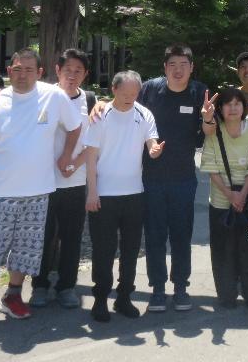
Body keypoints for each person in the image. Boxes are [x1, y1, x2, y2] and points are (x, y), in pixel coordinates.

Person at [0, 49, 82, 331]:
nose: (22, 74)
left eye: (28, 69)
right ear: (9, 71)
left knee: (26, 250)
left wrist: (66, 156)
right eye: (17, 69)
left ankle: (12, 296)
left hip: (38, 191)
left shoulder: (54, 96)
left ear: (39, 73)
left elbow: (75, 127)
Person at [0, 48, 96, 309]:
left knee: (72, 237)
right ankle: (40, 285)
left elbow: (93, 141)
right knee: (40, 237)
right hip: (41, 182)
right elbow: (13, 100)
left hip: (75, 181)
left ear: (85, 74)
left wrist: (73, 164)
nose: (72, 75)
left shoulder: (90, 101)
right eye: (67, 70)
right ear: (57, 70)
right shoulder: (42, 95)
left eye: (78, 71)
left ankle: (67, 286)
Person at [137, 44, 217, 312]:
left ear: (192, 67)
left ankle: (181, 287)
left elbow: (207, 133)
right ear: (165, 67)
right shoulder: (149, 90)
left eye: (184, 64)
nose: (178, 70)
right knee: (155, 234)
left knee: (182, 234)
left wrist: (207, 119)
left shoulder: (199, 92)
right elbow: (129, 113)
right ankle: (158, 289)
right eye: (172, 64)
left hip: (184, 177)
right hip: (151, 177)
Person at [82, 71, 161, 322]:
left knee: (130, 250)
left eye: (134, 93)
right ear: (114, 90)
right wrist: (92, 192)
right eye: (125, 93)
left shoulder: (144, 114)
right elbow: (90, 156)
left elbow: (151, 142)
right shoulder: (100, 115)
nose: (129, 97)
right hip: (104, 194)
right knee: (103, 250)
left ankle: (124, 296)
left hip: (134, 194)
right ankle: (100, 299)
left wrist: (155, 149)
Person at [200, 86, 248, 309]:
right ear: (220, 108)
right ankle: (226, 295)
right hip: (221, 201)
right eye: (227, 104)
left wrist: (242, 194)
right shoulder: (214, 132)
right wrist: (231, 195)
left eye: (237, 103)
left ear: (244, 107)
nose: (232, 108)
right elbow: (210, 166)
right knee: (223, 251)